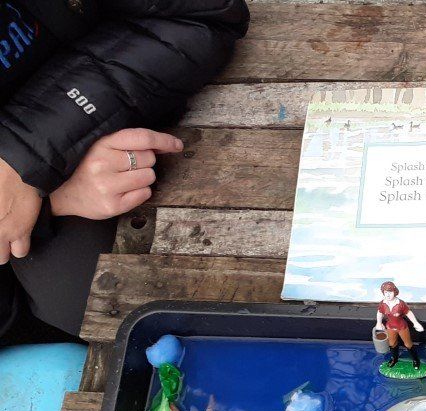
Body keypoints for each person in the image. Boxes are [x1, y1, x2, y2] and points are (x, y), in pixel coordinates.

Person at [0, 0, 250, 341]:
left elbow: (207, 11)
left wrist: (31, 152)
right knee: (96, 307)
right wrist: (49, 198)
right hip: (29, 252)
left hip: (87, 108)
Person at [375, 280, 425, 370]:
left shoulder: (400, 303)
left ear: (395, 292)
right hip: (390, 327)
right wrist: (378, 323)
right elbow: (380, 312)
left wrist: (416, 323)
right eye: (386, 292)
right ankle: (394, 358)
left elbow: (408, 313)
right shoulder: (383, 303)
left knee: (408, 344)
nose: (388, 295)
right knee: (392, 344)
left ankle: (416, 360)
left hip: (402, 327)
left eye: (390, 292)